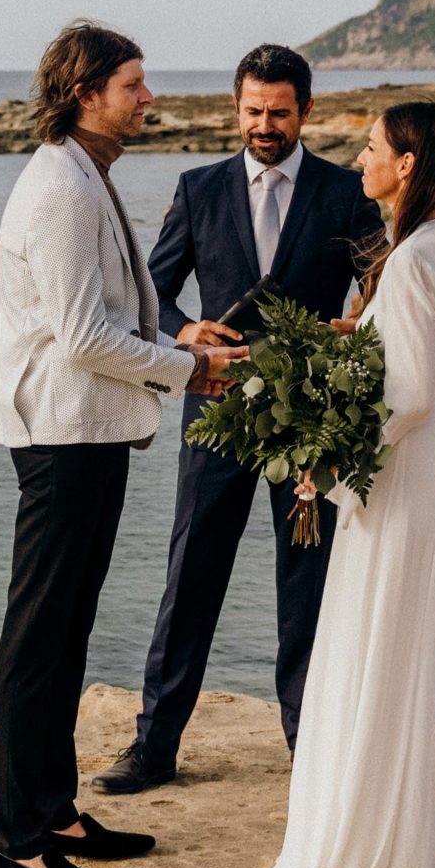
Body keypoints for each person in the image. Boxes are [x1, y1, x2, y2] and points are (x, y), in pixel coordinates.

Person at [0, 20, 248, 868]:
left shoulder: (84, 176)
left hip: (89, 432)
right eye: (135, 85)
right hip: (59, 436)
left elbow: (110, 312)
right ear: (87, 91)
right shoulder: (60, 188)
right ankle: (14, 845)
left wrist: (176, 332)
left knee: (65, 633)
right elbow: (83, 334)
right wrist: (192, 367)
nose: (149, 99)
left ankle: (53, 813)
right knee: (37, 641)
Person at [92, 45, 387, 796]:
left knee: (307, 584)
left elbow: (386, 294)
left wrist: (354, 330)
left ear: (307, 112)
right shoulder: (198, 190)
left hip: (309, 423)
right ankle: (154, 748)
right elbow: (148, 298)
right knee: (190, 577)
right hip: (215, 417)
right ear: (237, 109)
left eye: (279, 113)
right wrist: (185, 331)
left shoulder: (346, 192)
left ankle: (308, 748)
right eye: (253, 111)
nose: (265, 125)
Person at [266, 99, 435, 868]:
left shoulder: (415, 258)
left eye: (371, 146)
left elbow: (411, 394)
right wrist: (351, 340)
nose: (359, 158)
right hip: (431, 467)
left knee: (373, 650)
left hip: (406, 469)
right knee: (394, 655)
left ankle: (363, 850)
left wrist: (332, 456)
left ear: (407, 164)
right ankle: (391, 842)